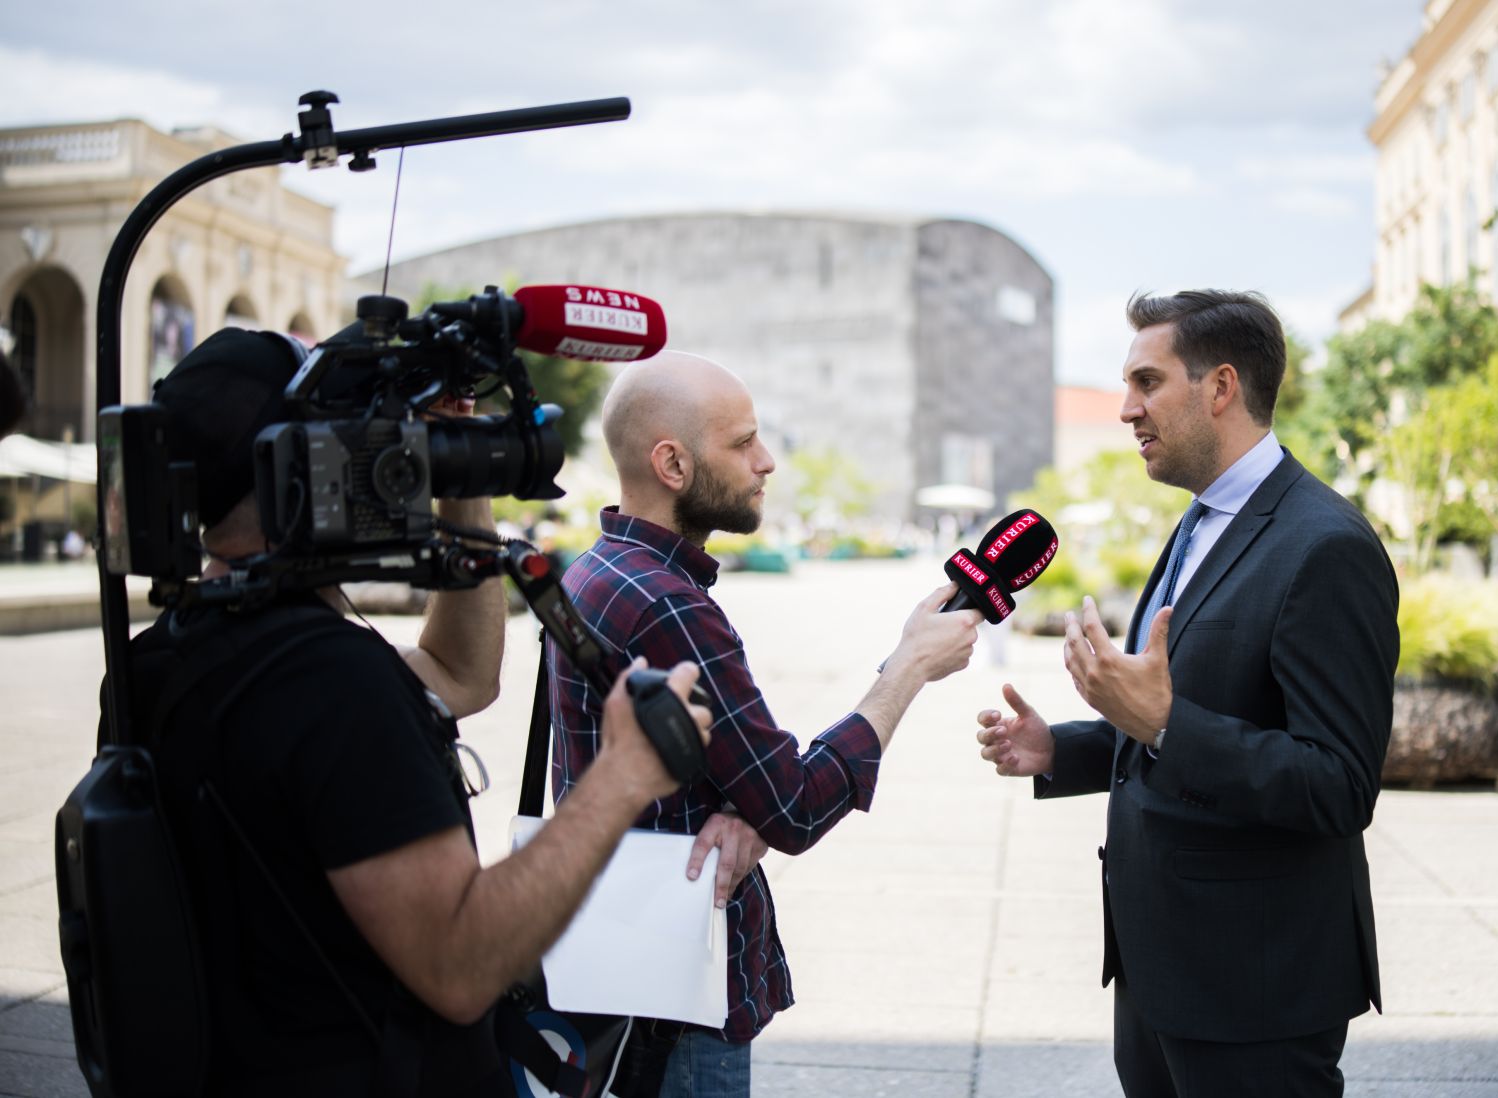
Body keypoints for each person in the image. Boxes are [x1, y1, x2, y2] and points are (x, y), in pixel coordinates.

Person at [110, 328, 711, 1096]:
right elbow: (459, 966)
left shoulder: (174, 651)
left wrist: (462, 480)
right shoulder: (330, 682)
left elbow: (460, 674)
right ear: (309, 461)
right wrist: (620, 779)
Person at [975, 290, 1399, 1098]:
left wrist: (1165, 722)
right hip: (1158, 968)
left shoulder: (1327, 548)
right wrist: (1061, 748)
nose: (1126, 410)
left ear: (1221, 388)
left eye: (1146, 381)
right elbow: (1198, 712)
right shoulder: (1200, 520)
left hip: (1256, 988)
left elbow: (1339, 785)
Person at [550, 350, 983, 1097]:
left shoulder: (597, 569)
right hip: (676, 999)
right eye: (743, 442)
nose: (767, 461)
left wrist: (740, 809)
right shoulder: (671, 605)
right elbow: (794, 804)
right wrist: (908, 666)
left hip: (615, 972)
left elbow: (737, 785)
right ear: (673, 464)